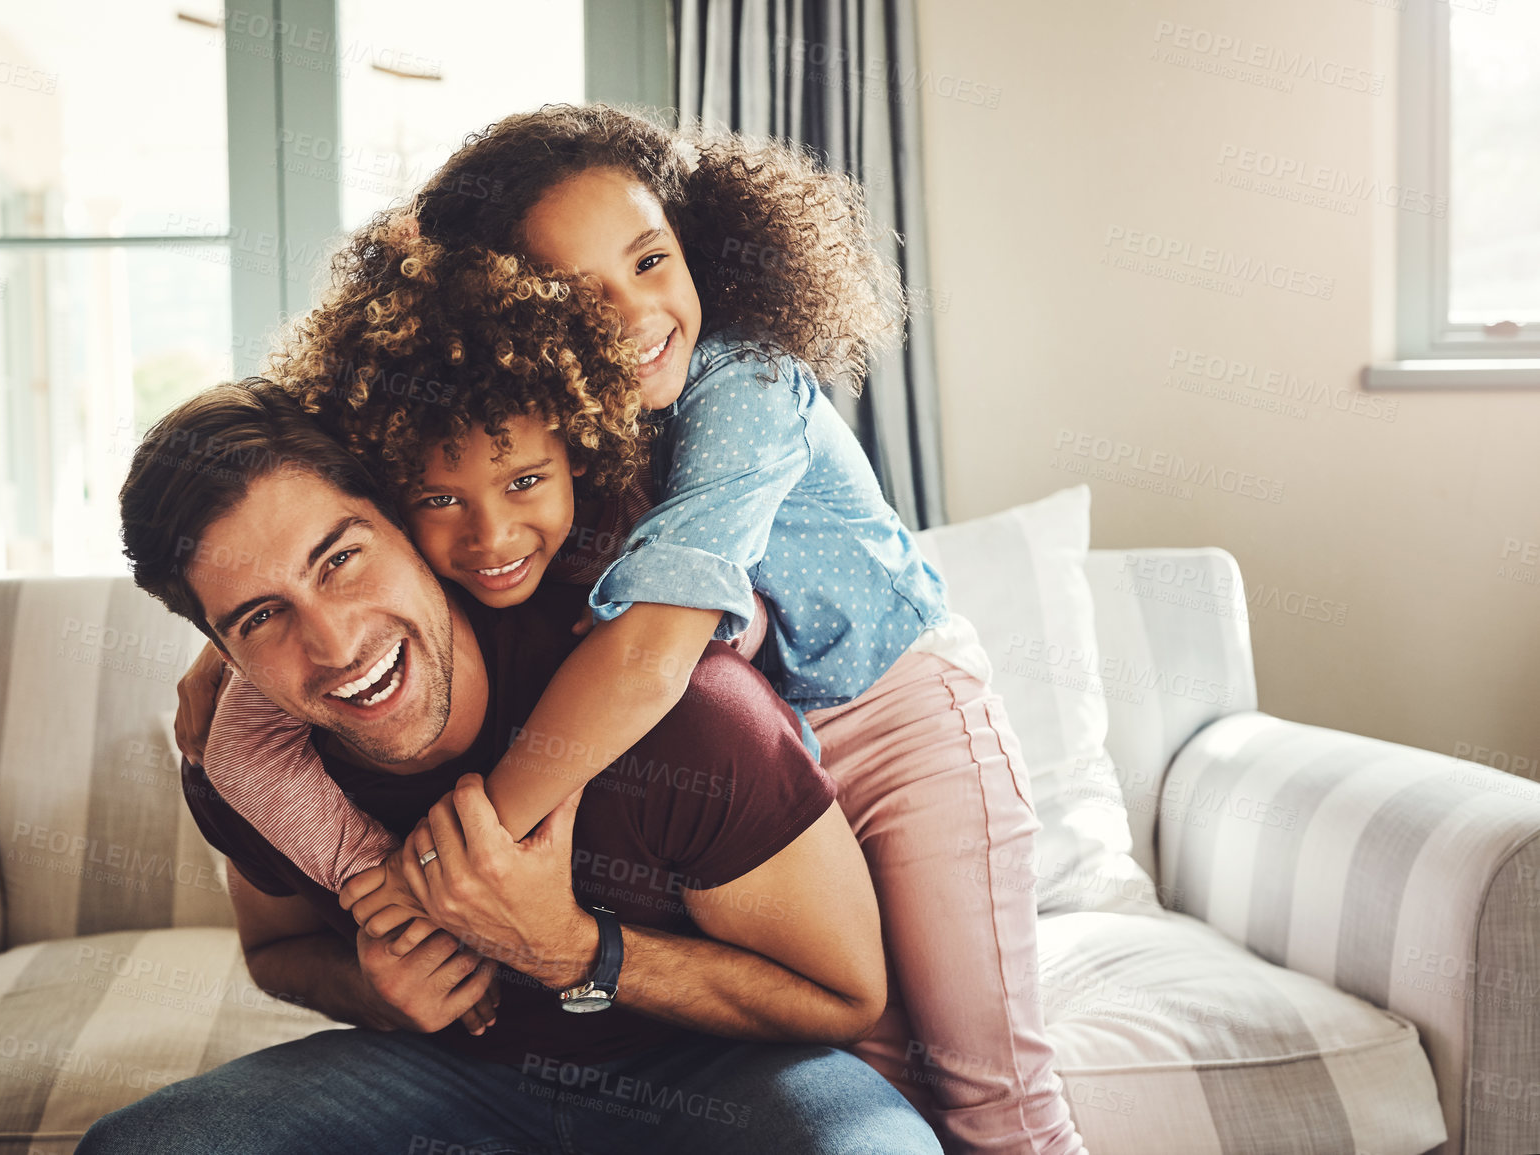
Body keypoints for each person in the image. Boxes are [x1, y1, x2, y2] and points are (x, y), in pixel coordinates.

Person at [181, 105, 1089, 1154]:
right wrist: (229, 646)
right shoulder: (543, 415)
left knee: (987, 1092)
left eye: (652, 260)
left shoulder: (742, 386)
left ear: (694, 245)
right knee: (869, 1074)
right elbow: (321, 506)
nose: (633, 313)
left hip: (897, 724)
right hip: (777, 745)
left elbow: (654, 652)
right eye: (575, 293)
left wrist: (466, 866)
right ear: (511, 312)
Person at [79, 379, 943, 1154]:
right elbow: (275, 950)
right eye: (262, 616)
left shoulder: (682, 711)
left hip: (707, 1073)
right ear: (219, 646)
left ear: (406, 522)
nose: (335, 645)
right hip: (431, 1074)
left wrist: (574, 949)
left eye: (341, 559)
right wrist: (376, 990)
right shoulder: (245, 768)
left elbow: (843, 995)